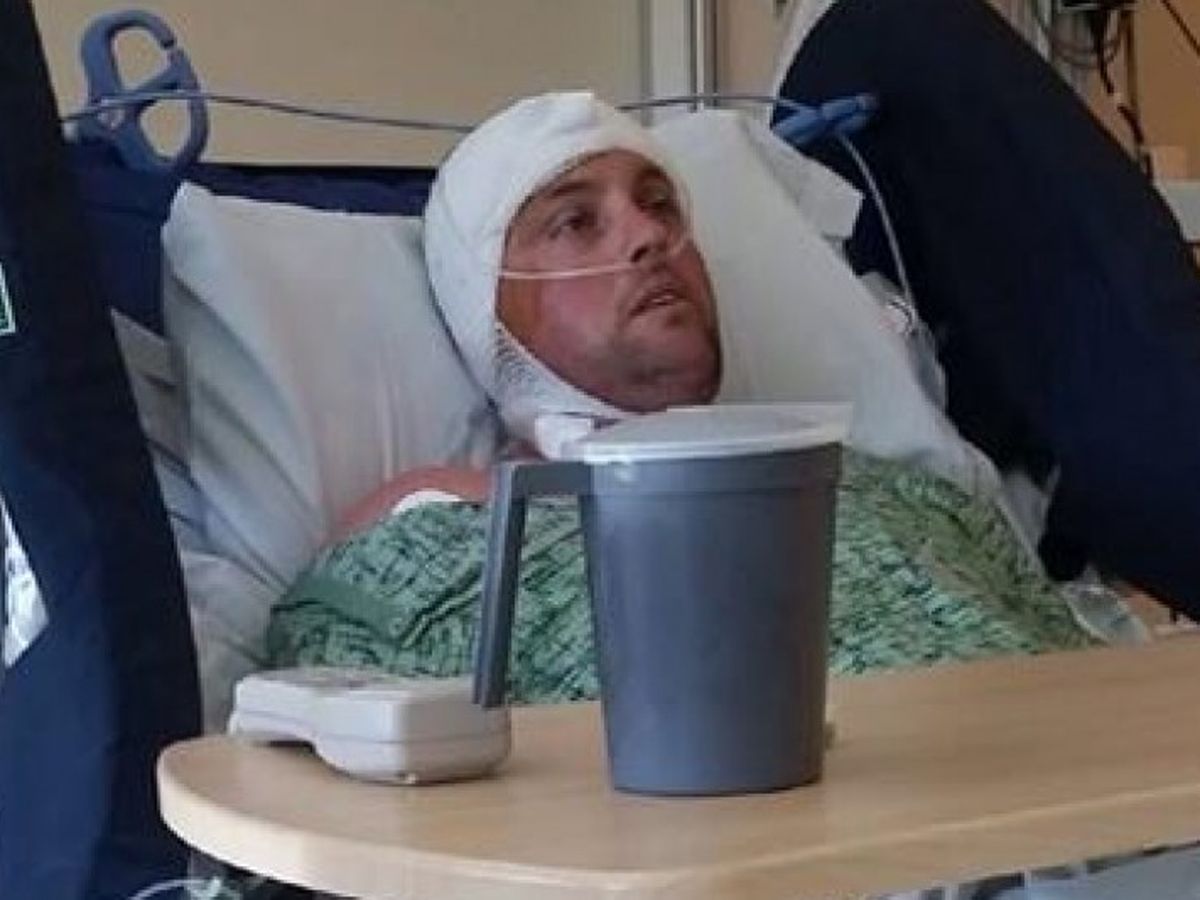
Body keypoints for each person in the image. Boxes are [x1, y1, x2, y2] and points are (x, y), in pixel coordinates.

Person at [266, 92, 1094, 701]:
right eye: (576, 221)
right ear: (485, 306)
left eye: (660, 206)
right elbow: (333, 718)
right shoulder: (450, 525)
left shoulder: (899, 493)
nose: (650, 235)